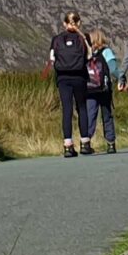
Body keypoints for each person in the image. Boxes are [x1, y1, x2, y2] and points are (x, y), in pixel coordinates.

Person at [48, 10, 88, 160]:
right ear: (79, 23)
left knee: (67, 109)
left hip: (63, 78)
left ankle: (68, 145)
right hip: (79, 77)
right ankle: (85, 143)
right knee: (82, 107)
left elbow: (52, 59)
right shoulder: (83, 38)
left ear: (64, 23)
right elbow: (89, 56)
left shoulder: (56, 39)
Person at [80, 30, 121, 154]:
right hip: (104, 88)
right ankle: (110, 144)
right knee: (107, 115)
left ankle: (86, 143)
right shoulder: (106, 52)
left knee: (90, 115)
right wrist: (122, 78)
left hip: (89, 89)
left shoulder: (86, 53)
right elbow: (113, 69)